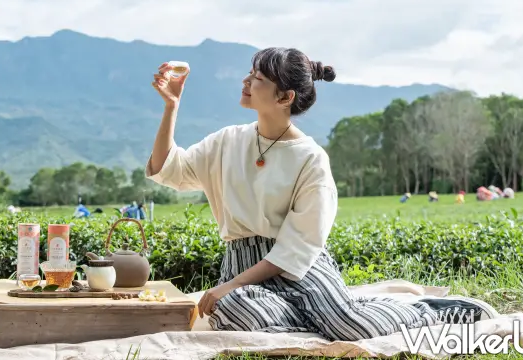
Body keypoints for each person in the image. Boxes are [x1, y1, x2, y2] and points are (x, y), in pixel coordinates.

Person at [145, 49, 498, 339]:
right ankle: (321, 323)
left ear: (285, 97)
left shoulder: (310, 158)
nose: (246, 81)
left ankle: (424, 312)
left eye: (258, 79)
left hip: (300, 268)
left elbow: (299, 246)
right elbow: (168, 169)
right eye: (250, 73)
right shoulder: (227, 141)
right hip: (242, 265)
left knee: (352, 327)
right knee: (233, 310)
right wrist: (171, 107)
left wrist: (227, 286)